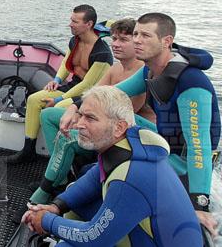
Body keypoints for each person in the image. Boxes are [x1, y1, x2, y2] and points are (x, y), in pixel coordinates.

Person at [22, 86, 202, 246]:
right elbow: (93, 179)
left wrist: (47, 221)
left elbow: (93, 238)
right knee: (74, 198)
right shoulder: (130, 145)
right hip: (154, 235)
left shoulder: (131, 176)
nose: (79, 124)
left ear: (119, 127)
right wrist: (56, 206)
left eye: (90, 118)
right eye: (81, 115)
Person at [30, 18, 156, 204]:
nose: (115, 44)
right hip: (102, 120)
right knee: (48, 115)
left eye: (123, 40)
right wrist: (74, 108)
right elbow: (92, 95)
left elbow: (121, 115)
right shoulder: (115, 69)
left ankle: (45, 189)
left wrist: (82, 119)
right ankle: (60, 178)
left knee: (67, 137)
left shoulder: (142, 73)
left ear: (137, 43)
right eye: (114, 39)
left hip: (128, 133)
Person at [116, 12, 220, 235]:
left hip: (183, 161)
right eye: (135, 34)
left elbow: (199, 147)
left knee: (120, 174)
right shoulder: (150, 70)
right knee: (115, 122)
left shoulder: (190, 81)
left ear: (167, 41)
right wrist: (76, 106)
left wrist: (199, 204)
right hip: (165, 143)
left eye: (145, 35)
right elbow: (115, 94)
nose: (137, 40)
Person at [8, 4, 113, 164]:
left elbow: (87, 85)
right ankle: (28, 150)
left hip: (89, 95)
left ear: (89, 24)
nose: (70, 24)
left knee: (58, 107)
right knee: (34, 100)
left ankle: (65, 158)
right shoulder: (75, 40)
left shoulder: (102, 53)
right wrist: (56, 80)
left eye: (75, 22)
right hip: (73, 86)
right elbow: (66, 62)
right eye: (71, 20)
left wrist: (58, 100)